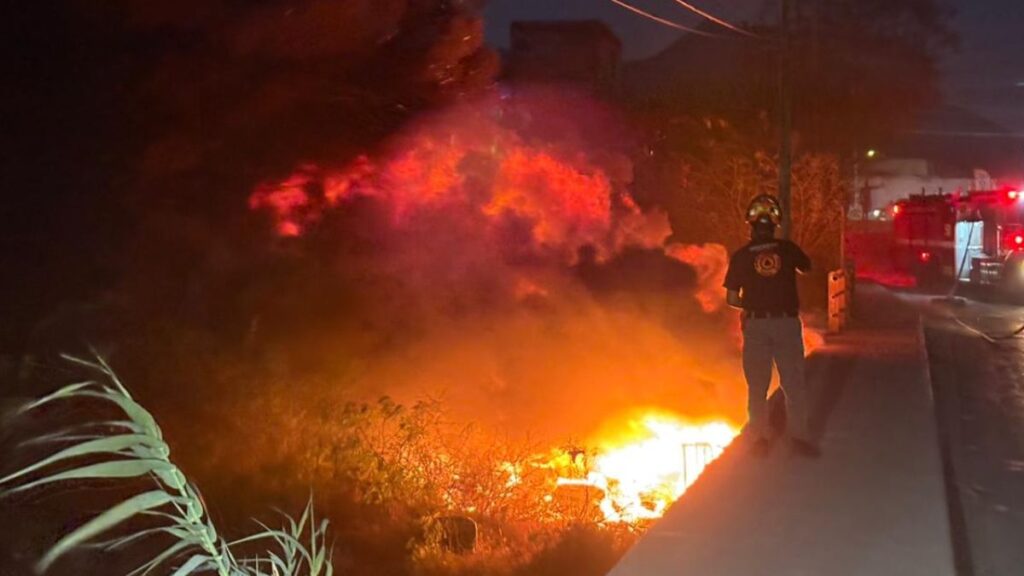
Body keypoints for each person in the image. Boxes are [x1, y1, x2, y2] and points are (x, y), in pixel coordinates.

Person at [723, 194, 820, 458]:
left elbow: (732, 298)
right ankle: (799, 438)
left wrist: (753, 302)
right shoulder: (787, 249)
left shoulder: (741, 256)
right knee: (794, 383)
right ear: (776, 223)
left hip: (756, 325)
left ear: (750, 224)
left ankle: (760, 440)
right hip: (787, 323)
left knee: (757, 385)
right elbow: (808, 268)